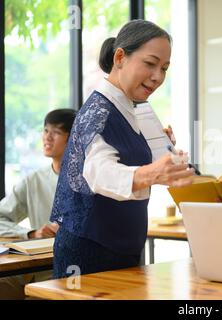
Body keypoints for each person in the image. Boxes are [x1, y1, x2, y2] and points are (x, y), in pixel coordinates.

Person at [50, 20, 194, 279]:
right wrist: (151, 173)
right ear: (120, 57)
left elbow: (153, 162)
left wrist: (167, 161)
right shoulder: (99, 111)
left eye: (164, 68)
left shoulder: (136, 110)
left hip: (124, 247)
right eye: (150, 64)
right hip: (90, 253)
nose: (157, 77)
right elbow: (99, 174)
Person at [0, 108, 76, 299]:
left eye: (56, 132)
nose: (47, 138)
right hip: (31, 269)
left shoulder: (88, 180)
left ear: (74, 138)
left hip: (71, 271)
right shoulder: (33, 180)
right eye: (45, 130)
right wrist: (31, 233)